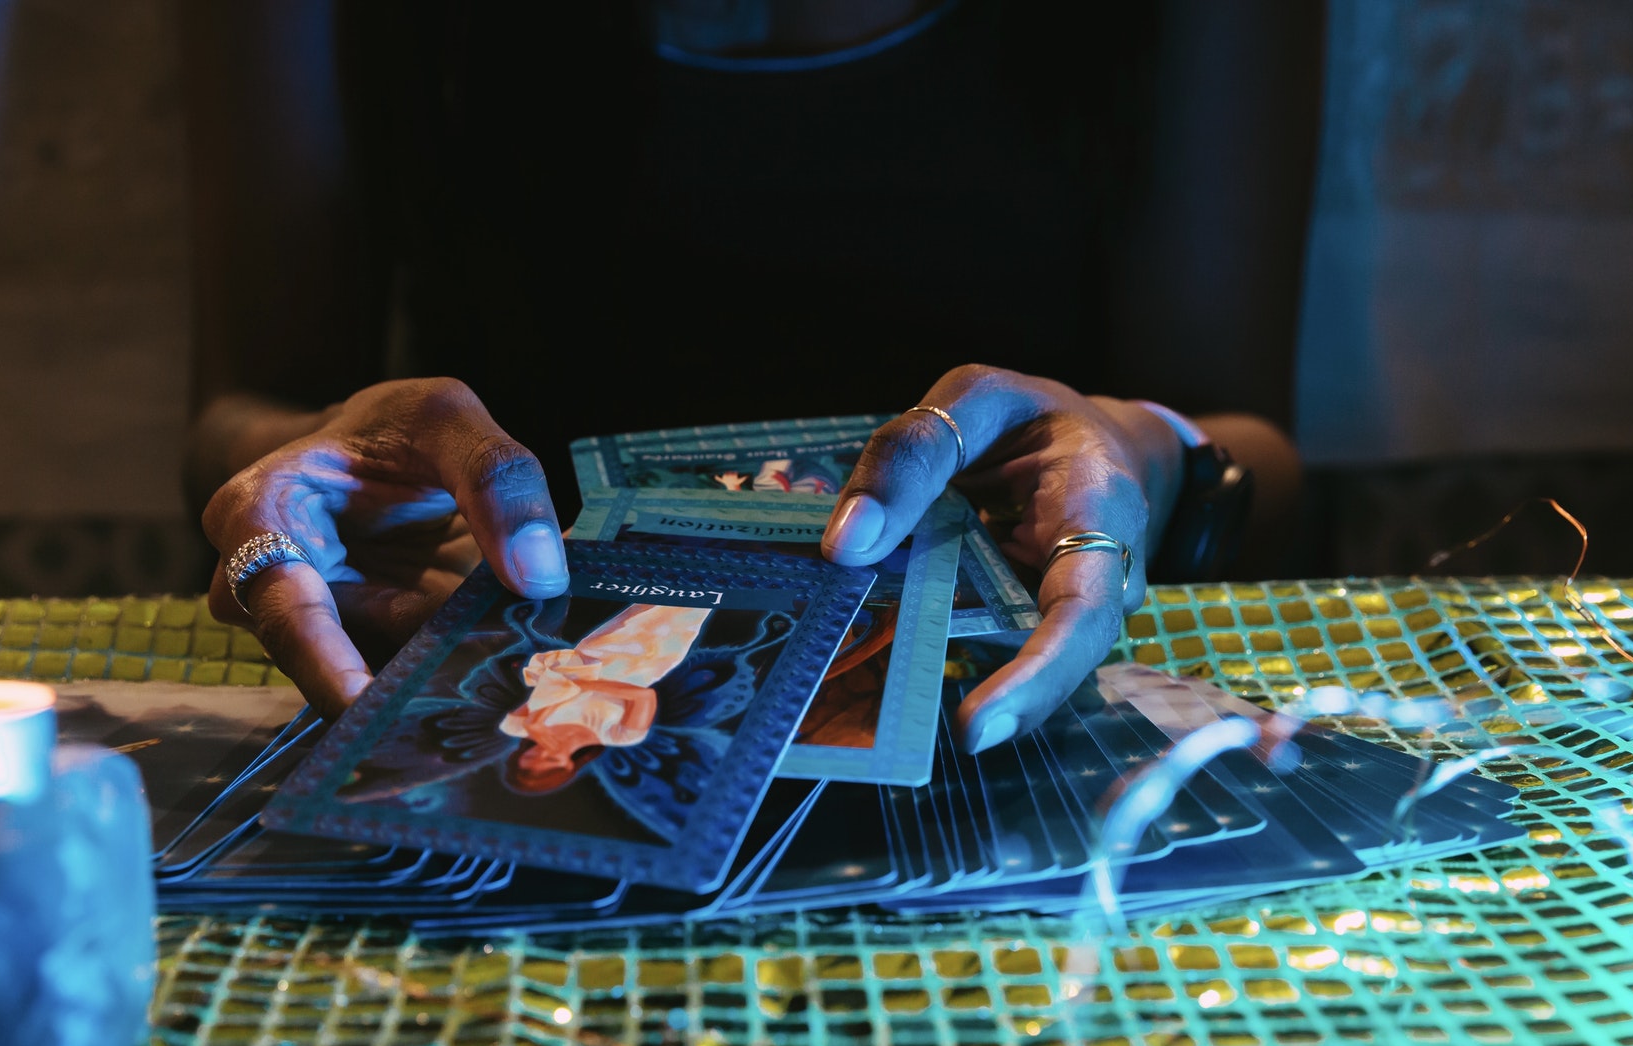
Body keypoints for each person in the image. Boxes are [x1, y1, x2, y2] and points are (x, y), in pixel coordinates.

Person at [181, 0, 1320, 751]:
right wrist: (302, 475)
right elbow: (236, 414)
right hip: (501, 707)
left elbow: (1255, 443)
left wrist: (1140, 447)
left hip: (1014, 728)